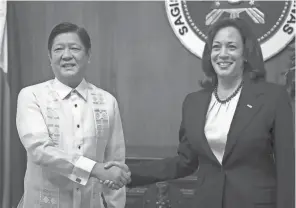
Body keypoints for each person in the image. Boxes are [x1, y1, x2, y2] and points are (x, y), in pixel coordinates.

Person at [104, 18, 295, 208]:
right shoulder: (194, 103)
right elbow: (184, 162)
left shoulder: (273, 98)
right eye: (216, 47)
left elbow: (287, 168)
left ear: (245, 53)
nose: (222, 54)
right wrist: (130, 173)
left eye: (231, 47)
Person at [16, 22, 130, 208]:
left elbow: (114, 162)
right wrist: (94, 169)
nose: (66, 55)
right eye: (58, 49)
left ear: (88, 55)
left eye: (75, 48)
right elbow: (39, 150)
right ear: (49, 57)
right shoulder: (32, 96)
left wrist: (115, 203)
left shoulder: (107, 101)